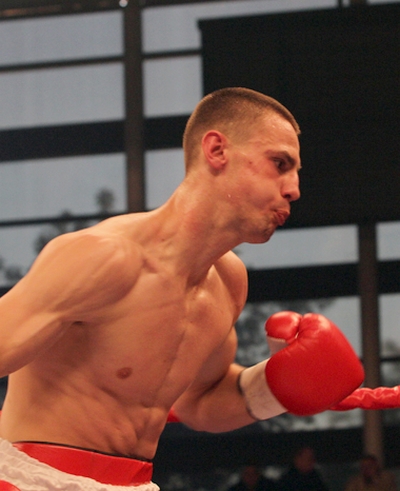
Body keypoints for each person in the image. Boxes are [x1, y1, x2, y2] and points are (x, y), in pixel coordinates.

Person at [0, 87, 364, 490]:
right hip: (33, 479)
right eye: (279, 163)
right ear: (217, 150)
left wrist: (275, 387)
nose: (293, 189)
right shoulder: (105, 258)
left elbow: (201, 402)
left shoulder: (228, 284)